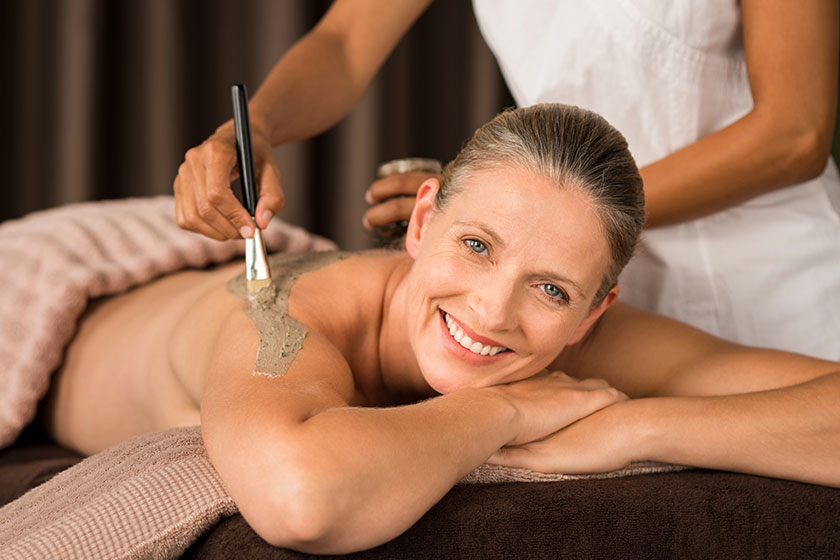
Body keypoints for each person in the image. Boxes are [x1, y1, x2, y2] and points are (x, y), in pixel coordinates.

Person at [47, 105, 839, 554]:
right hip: (63, 301)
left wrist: (636, 428)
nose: (493, 311)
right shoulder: (285, 319)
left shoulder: (583, 337)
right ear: (422, 220)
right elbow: (303, 498)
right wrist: (505, 410)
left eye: (552, 289)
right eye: (476, 245)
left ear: (595, 311)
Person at [173, 0, 840, 360]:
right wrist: (256, 125)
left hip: (771, 284)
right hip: (566, 292)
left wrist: (534, 217)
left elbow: (795, 133)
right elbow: (347, 42)